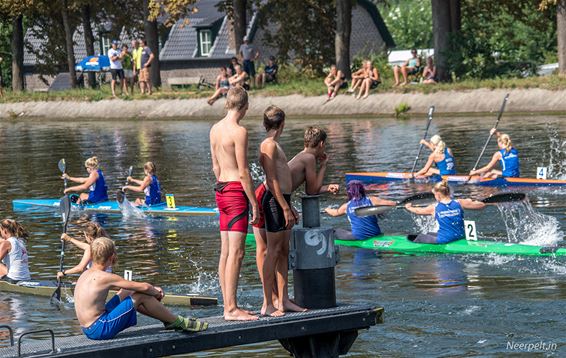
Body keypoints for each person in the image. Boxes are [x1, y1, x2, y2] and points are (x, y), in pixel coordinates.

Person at [253, 126, 339, 304]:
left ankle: (278, 298)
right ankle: (273, 299)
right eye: (325, 146)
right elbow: (312, 190)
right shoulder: (309, 159)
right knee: (268, 250)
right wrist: (323, 166)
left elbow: (290, 184)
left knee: (272, 249)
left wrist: (289, 204)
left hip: (269, 193)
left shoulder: (301, 155)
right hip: (270, 194)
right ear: (321, 144)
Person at [74, 237, 208, 340]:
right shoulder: (104, 276)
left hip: (87, 328)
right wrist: (156, 292)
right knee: (141, 296)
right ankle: (178, 322)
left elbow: (129, 286)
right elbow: (144, 287)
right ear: (112, 257)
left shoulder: (86, 273)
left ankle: (168, 321)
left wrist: (146, 289)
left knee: (127, 291)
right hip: (99, 328)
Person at [209, 87, 259, 321]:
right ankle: (231, 309)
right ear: (245, 107)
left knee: (226, 251)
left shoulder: (214, 129)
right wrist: (254, 203)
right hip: (236, 193)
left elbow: (216, 167)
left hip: (221, 190)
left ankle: (228, 305)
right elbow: (243, 171)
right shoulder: (239, 131)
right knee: (237, 253)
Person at [257, 105, 305, 317]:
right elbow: (271, 179)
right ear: (282, 124)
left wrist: (289, 203)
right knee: (273, 252)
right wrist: (284, 207)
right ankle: (268, 303)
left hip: (283, 199)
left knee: (283, 251)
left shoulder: (275, 145)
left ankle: (283, 300)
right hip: (274, 202)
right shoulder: (268, 145)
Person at [404, 180, 486, 244]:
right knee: (429, 233)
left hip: (444, 240)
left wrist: (409, 207)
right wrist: (471, 201)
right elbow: (481, 205)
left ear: (438, 195)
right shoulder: (460, 202)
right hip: (460, 236)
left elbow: (418, 211)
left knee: (419, 237)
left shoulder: (434, 207)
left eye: (435, 195)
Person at [325, 181, 395, 240]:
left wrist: (326, 209)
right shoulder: (372, 200)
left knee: (336, 231)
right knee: (348, 230)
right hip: (376, 233)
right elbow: (392, 203)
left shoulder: (346, 206)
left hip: (359, 237)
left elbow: (334, 213)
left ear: (349, 192)